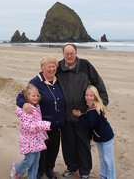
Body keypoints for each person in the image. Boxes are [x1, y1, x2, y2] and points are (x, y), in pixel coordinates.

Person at [56, 43, 109, 179]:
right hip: (66, 114)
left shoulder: (85, 65)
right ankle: (71, 167)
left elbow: (98, 83)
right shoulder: (58, 67)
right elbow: (46, 79)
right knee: (68, 144)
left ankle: (85, 171)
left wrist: (102, 102)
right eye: (66, 53)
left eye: (71, 53)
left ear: (76, 53)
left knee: (83, 143)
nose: (69, 56)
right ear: (63, 54)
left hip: (83, 115)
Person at [16, 57, 65, 179]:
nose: (52, 69)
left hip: (57, 123)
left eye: (54, 66)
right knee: (41, 150)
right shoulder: (36, 81)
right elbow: (21, 95)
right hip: (42, 124)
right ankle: (38, 171)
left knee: (54, 149)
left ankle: (49, 169)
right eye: (49, 66)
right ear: (43, 68)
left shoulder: (59, 80)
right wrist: (24, 104)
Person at [72, 85, 116, 179]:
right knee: (102, 158)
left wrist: (80, 116)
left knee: (108, 159)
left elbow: (89, 124)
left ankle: (111, 177)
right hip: (99, 137)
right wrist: (83, 115)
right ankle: (103, 176)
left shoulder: (94, 109)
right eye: (86, 95)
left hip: (106, 137)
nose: (88, 97)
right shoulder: (92, 106)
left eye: (91, 95)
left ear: (95, 96)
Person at [10, 84, 51, 179]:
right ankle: (16, 168)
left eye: (37, 95)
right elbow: (29, 126)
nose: (36, 97)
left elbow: (37, 122)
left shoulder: (37, 107)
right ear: (27, 97)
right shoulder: (27, 110)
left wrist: (44, 134)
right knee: (29, 160)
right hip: (28, 140)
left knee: (36, 162)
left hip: (37, 140)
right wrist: (45, 124)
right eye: (33, 96)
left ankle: (32, 177)